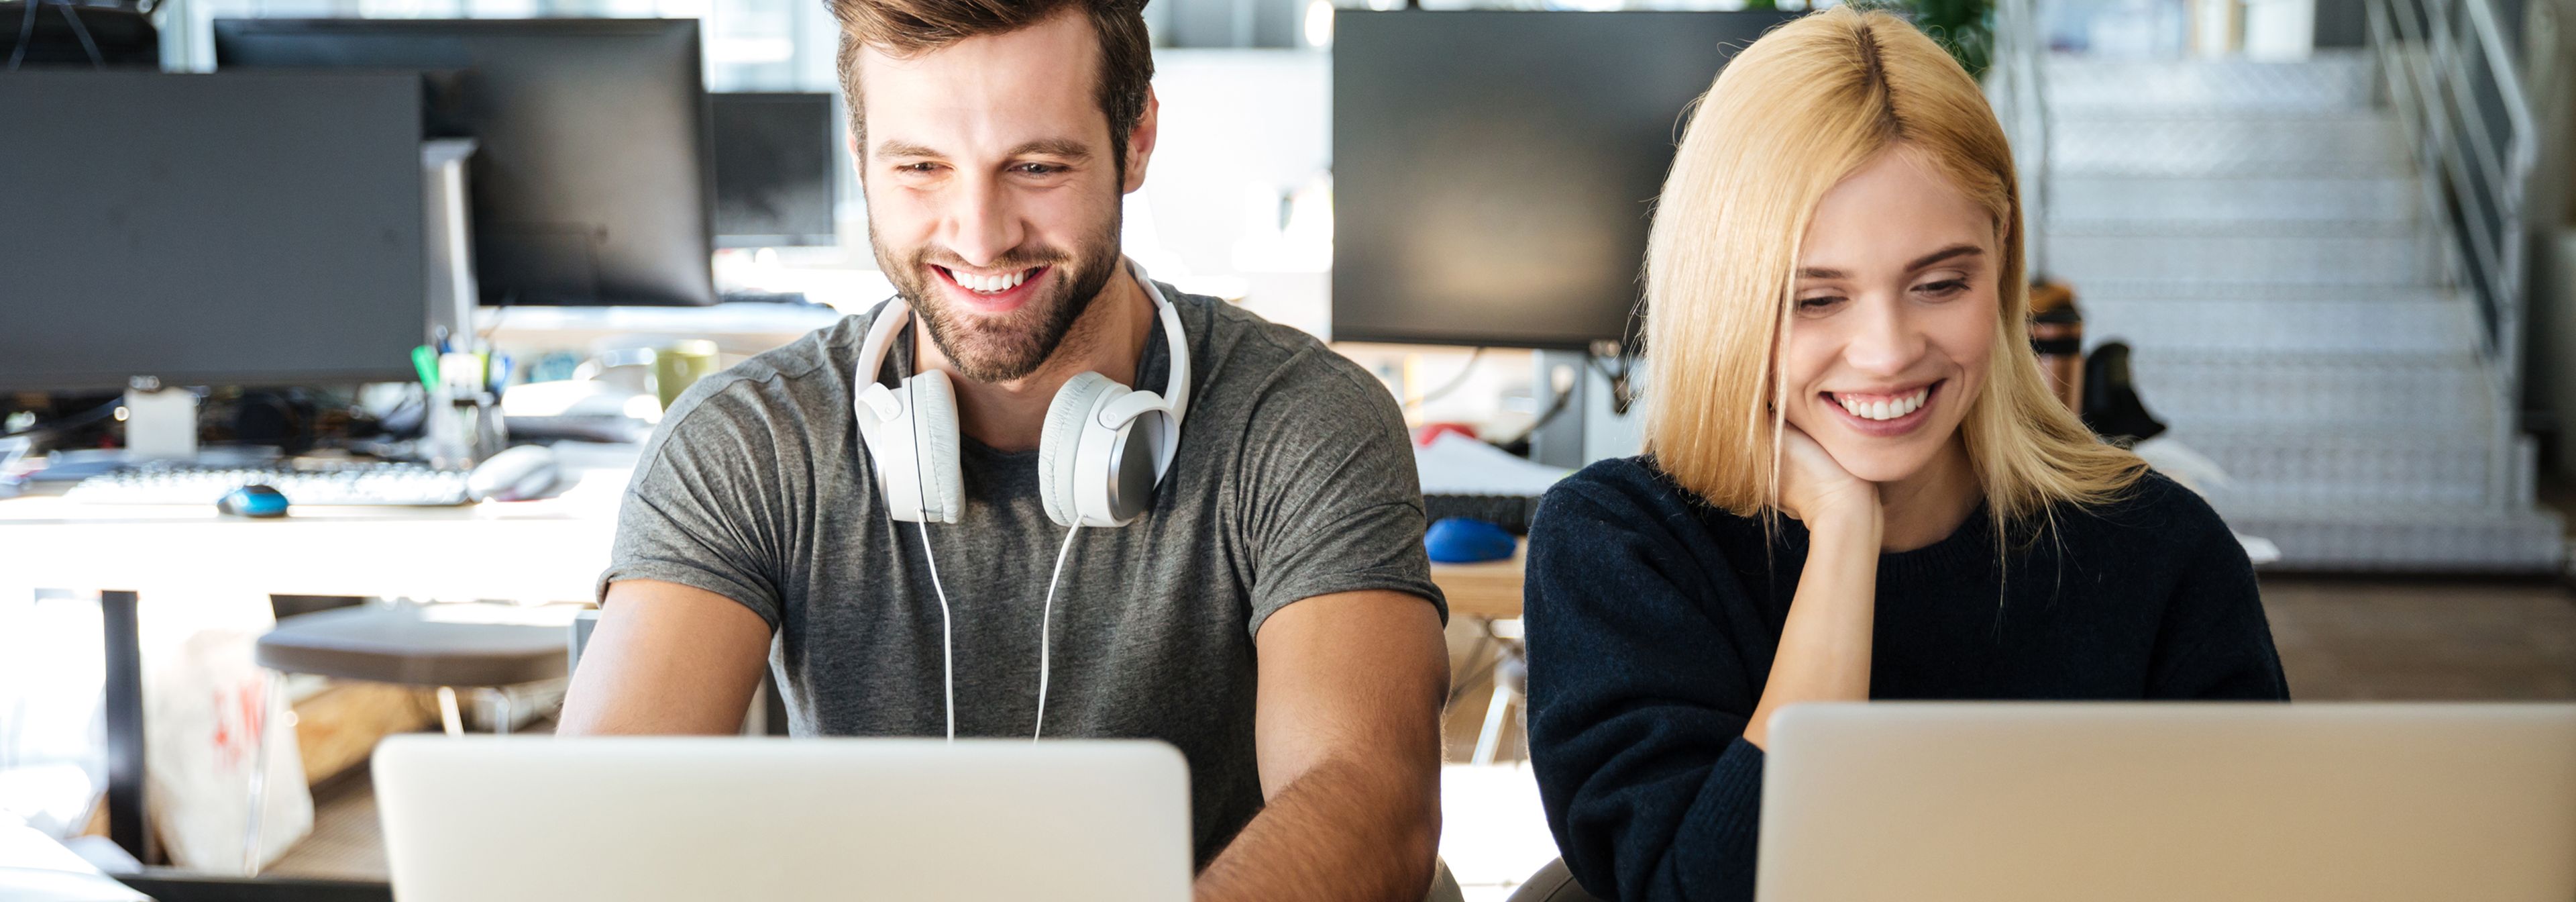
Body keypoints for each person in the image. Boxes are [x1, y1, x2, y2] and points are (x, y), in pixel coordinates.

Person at [555, 2, 1451, 898]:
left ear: (1135, 140)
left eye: (1034, 165)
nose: (980, 236)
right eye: (921, 168)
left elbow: (1372, 805)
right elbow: (597, 827)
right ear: (862, 157)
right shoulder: (749, 441)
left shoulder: (1302, 421)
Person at [1520, 8, 2290, 902]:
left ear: (1999, 264)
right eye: (1816, 300)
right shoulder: (1623, 547)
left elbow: (2254, 868)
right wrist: (1844, 535)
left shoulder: (2161, 551)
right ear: (1724, 299)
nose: (1887, 351)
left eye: (1940, 284)